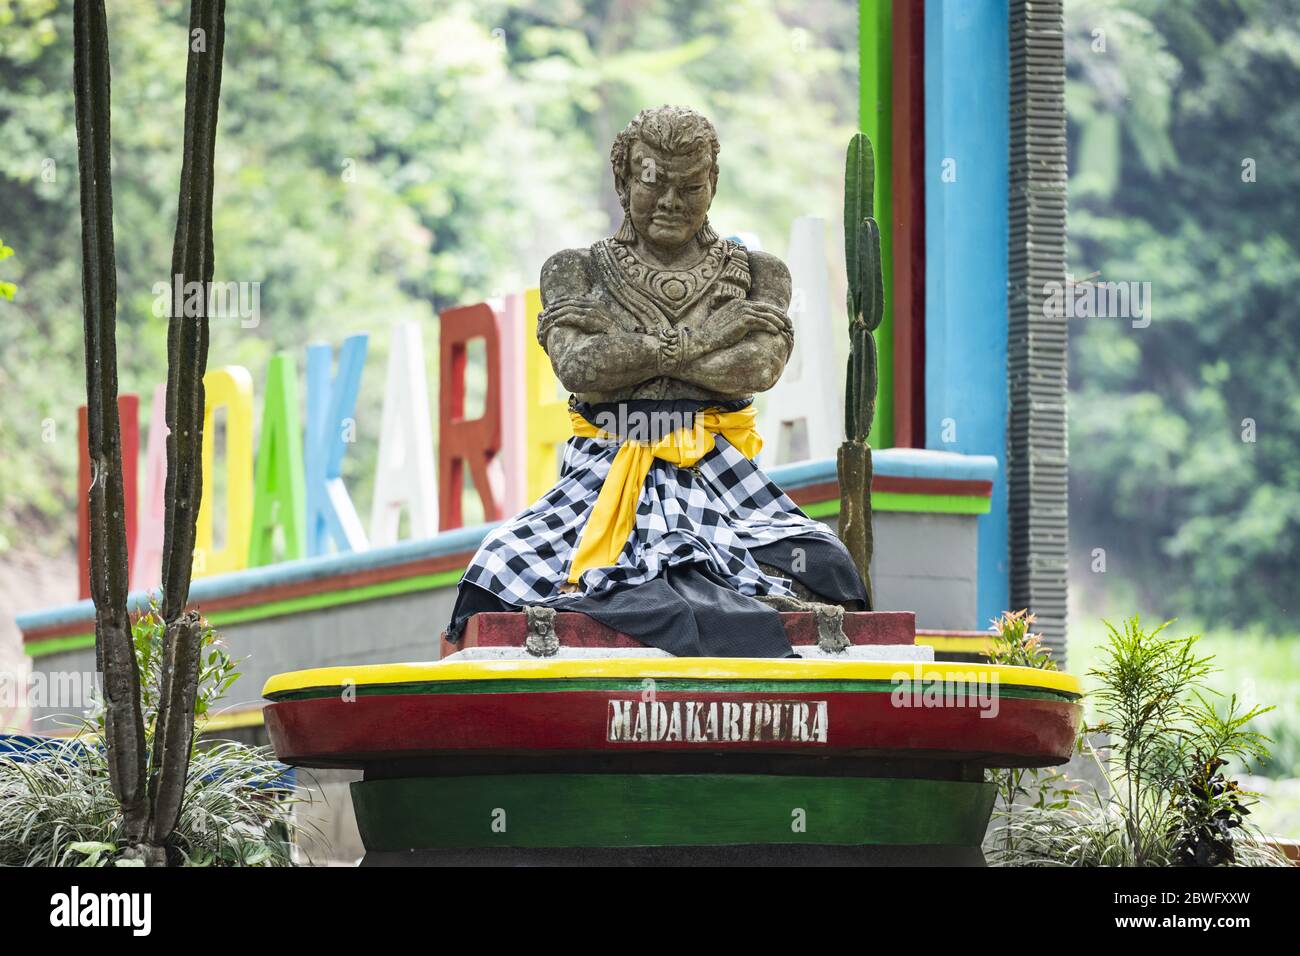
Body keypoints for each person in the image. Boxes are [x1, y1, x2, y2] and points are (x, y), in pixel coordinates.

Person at [446, 105, 866, 657]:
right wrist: (710, 337)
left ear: (713, 183)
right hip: (601, 476)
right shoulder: (575, 270)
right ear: (623, 182)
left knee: (822, 563)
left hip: (722, 477)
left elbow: (758, 368)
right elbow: (578, 367)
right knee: (501, 564)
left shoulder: (758, 273)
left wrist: (627, 347)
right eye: (653, 183)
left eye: (689, 186)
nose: (671, 201)